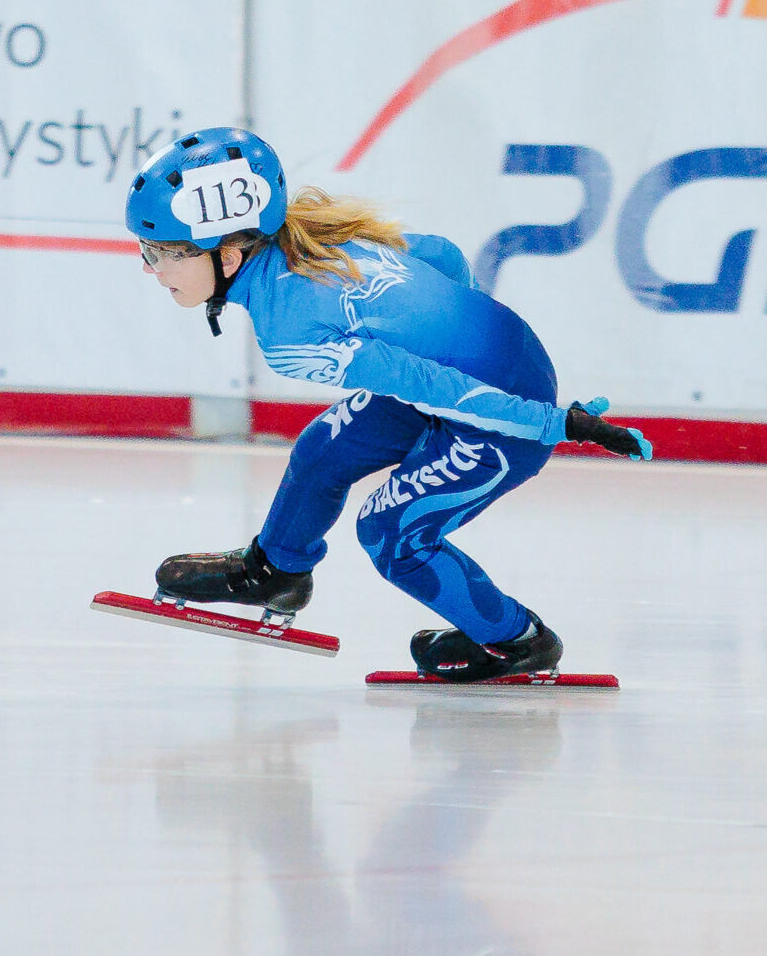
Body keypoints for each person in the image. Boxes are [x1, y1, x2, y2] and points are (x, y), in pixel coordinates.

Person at [128, 126, 652, 682]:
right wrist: (461, 325)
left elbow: (425, 383)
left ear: (230, 256)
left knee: (389, 533)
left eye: (160, 252)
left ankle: (518, 641)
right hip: (501, 366)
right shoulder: (313, 242)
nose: (147, 267)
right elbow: (441, 255)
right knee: (323, 450)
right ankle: (276, 570)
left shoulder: (287, 333)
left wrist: (550, 421)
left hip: (497, 414)